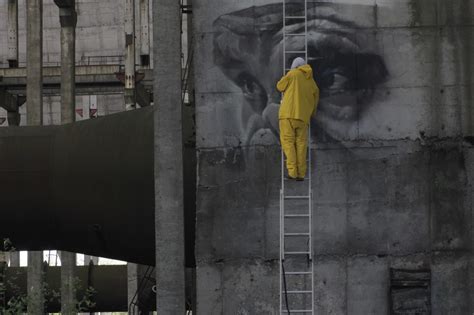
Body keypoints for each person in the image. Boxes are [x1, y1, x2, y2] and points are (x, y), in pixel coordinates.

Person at [277, 57, 319, 180]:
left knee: (288, 143)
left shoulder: (293, 73)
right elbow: (316, 96)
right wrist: (312, 112)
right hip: (302, 118)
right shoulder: (311, 80)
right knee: (301, 145)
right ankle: (301, 174)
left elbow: (280, 86)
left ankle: (292, 172)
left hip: (287, 115)